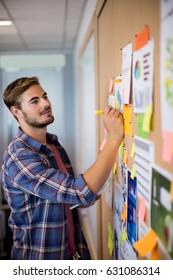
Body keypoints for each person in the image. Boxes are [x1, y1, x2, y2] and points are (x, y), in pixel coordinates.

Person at [0, 76, 124, 260]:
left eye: (45, 96)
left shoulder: (53, 144)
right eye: (35, 101)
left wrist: (95, 188)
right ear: (17, 111)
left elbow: (72, 198)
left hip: (73, 254)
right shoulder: (19, 156)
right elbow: (78, 192)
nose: (46, 103)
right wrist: (114, 138)